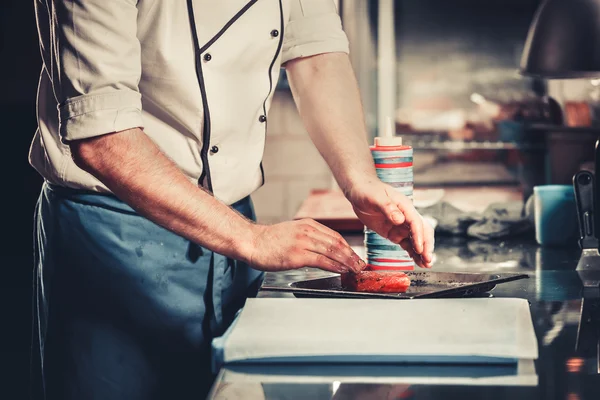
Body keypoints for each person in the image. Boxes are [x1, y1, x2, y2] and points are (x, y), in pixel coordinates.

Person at [30, 1, 434, 399]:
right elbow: (103, 137)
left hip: (234, 233)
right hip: (112, 236)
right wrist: (253, 240)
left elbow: (315, 52)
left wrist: (359, 179)